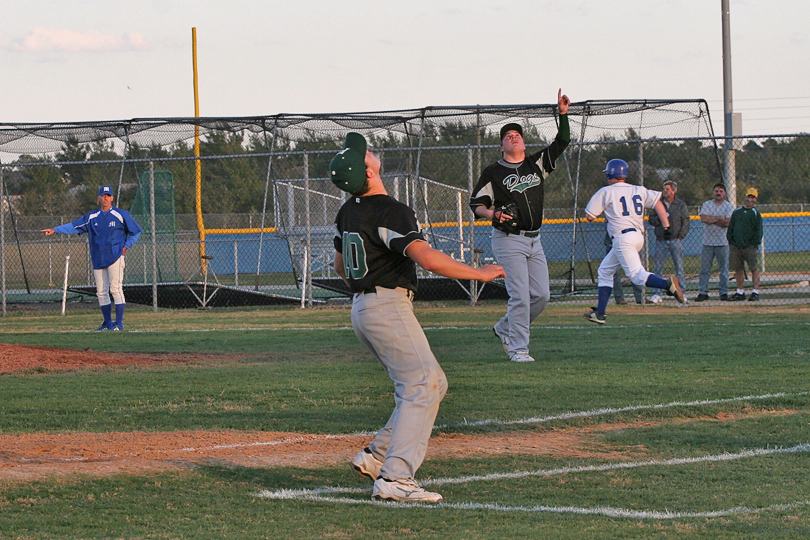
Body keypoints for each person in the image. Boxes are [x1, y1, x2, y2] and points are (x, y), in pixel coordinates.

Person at [331, 133, 505, 503]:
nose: (371, 153)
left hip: (363, 307)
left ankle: (377, 456)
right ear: (368, 171)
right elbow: (427, 259)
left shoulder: (349, 210)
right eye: (365, 154)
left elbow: (341, 266)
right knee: (422, 384)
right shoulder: (388, 209)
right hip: (385, 305)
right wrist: (481, 273)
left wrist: (366, 288)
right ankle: (396, 478)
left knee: (430, 383)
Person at [469, 89, 570, 363]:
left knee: (541, 296)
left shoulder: (536, 164)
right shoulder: (494, 171)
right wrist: (493, 214)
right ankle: (518, 349)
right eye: (507, 136)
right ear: (502, 147)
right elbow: (476, 204)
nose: (513, 137)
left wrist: (562, 114)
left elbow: (563, 141)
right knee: (521, 296)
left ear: (523, 144)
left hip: (535, 240)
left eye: (517, 135)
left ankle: (504, 328)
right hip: (508, 239)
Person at [583, 159, 685, 324]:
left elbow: (589, 216)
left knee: (637, 275)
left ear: (610, 173)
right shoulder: (639, 189)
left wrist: (606, 210)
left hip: (622, 238)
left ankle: (667, 284)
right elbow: (657, 203)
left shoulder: (606, 191)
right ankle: (600, 313)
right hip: (637, 236)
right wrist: (666, 225)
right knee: (605, 271)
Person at [42, 185, 142, 331]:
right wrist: (55, 230)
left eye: (108, 195)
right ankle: (108, 323)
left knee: (115, 289)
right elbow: (74, 226)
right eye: (103, 196)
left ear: (112, 198)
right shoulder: (92, 217)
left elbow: (136, 231)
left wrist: (126, 247)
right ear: (98, 198)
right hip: (98, 258)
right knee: (101, 291)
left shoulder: (121, 214)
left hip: (115, 257)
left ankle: (119, 323)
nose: (105, 198)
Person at [647, 180, 690, 303]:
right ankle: (657, 293)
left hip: (675, 239)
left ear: (673, 191)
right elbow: (651, 219)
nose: (665, 191)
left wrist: (680, 236)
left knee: (679, 267)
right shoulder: (658, 203)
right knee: (658, 268)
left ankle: (682, 292)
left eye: (667, 189)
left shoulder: (680, 205)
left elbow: (686, 221)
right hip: (661, 240)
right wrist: (658, 220)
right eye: (664, 189)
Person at [695, 183, 735, 301]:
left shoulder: (729, 206)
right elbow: (704, 219)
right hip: (707, 243)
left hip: (723, 243)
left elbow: (727, 222)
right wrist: (719, 218)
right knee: (704, 270)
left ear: (725, 193)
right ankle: (703, 292)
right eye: (716, 191)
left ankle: (723, 292)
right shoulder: (707, 204)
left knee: (724, 270)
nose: (718, 193)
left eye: (721, 191)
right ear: (713, 192)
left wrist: (712, 219)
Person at [727, 187, 763, 301]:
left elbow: (758, 230)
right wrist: (731, 241)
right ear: (745, 197)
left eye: (753, 197)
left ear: (756, 200)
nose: (750, 199)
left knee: (754, 268)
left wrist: (754, 243)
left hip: (749, 246)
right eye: (749, 196)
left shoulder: (755, 213)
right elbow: (731, 228)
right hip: (736, 246)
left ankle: (755, 291)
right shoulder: (737, 212)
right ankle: (740, 291)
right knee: (738, 269)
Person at [603, 230, 646, 304]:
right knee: (614, 272)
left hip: (628, 242)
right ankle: (619, 298)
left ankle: (640, 297)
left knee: (635, 270)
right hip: (613, 242)